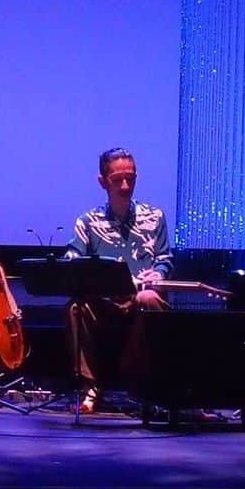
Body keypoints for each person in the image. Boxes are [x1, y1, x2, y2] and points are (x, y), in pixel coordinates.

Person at [63, 147, 171, 414]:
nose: (125, 186)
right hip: (105, 302)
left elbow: (165, 257)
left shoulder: (154, 217)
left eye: (131, 179)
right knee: (76, 308)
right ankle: (90, 387)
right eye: (117, 180)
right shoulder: (89, 222)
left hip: (140, 297)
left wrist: (158, 273)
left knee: (149, 298)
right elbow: (73, 257)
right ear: (103, 182)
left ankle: (152, 386)